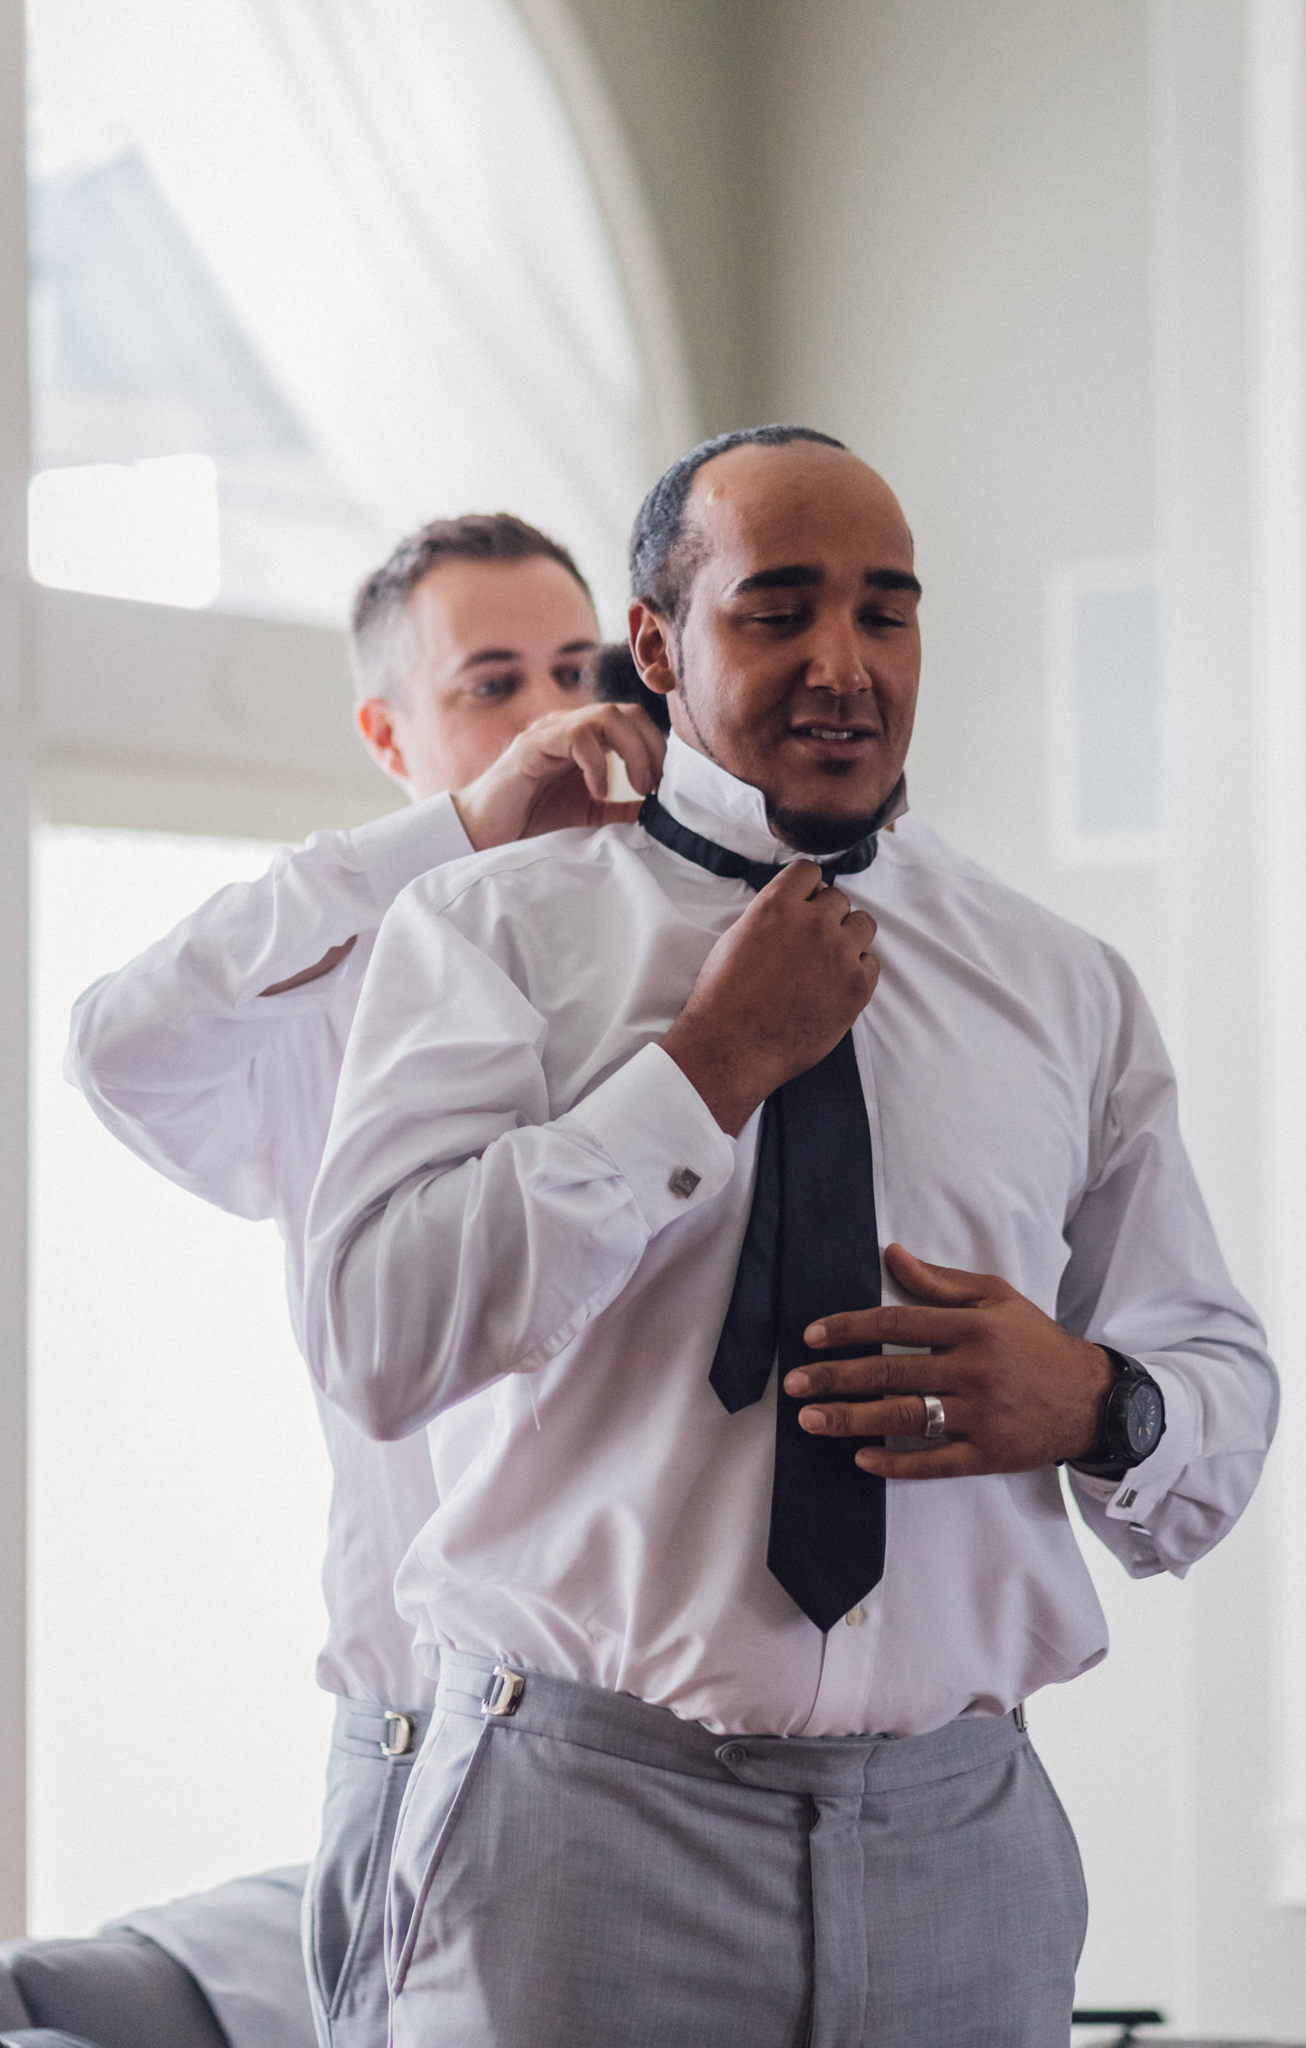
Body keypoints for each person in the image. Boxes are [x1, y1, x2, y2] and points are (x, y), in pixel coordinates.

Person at [302, 428, 1277, 2048]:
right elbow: (374, 1340)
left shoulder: (1060, 983)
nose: (843, 664)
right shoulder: (487, 936)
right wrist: (703, 1073)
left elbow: (1217, 1378)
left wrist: (1102, 1405)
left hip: (964, 1846)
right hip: (581, 1839)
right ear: (657, 643)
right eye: (778, 610)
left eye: (886, 614)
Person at [64, 511, 667, 2048]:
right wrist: (449, 843)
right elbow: (116, 1042)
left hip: (681, 1751)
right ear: (387, 733)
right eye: (490, 684)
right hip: (432, 1734)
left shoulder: (691, 959)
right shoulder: (317, 1017)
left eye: (574, 666)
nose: (551, 714)